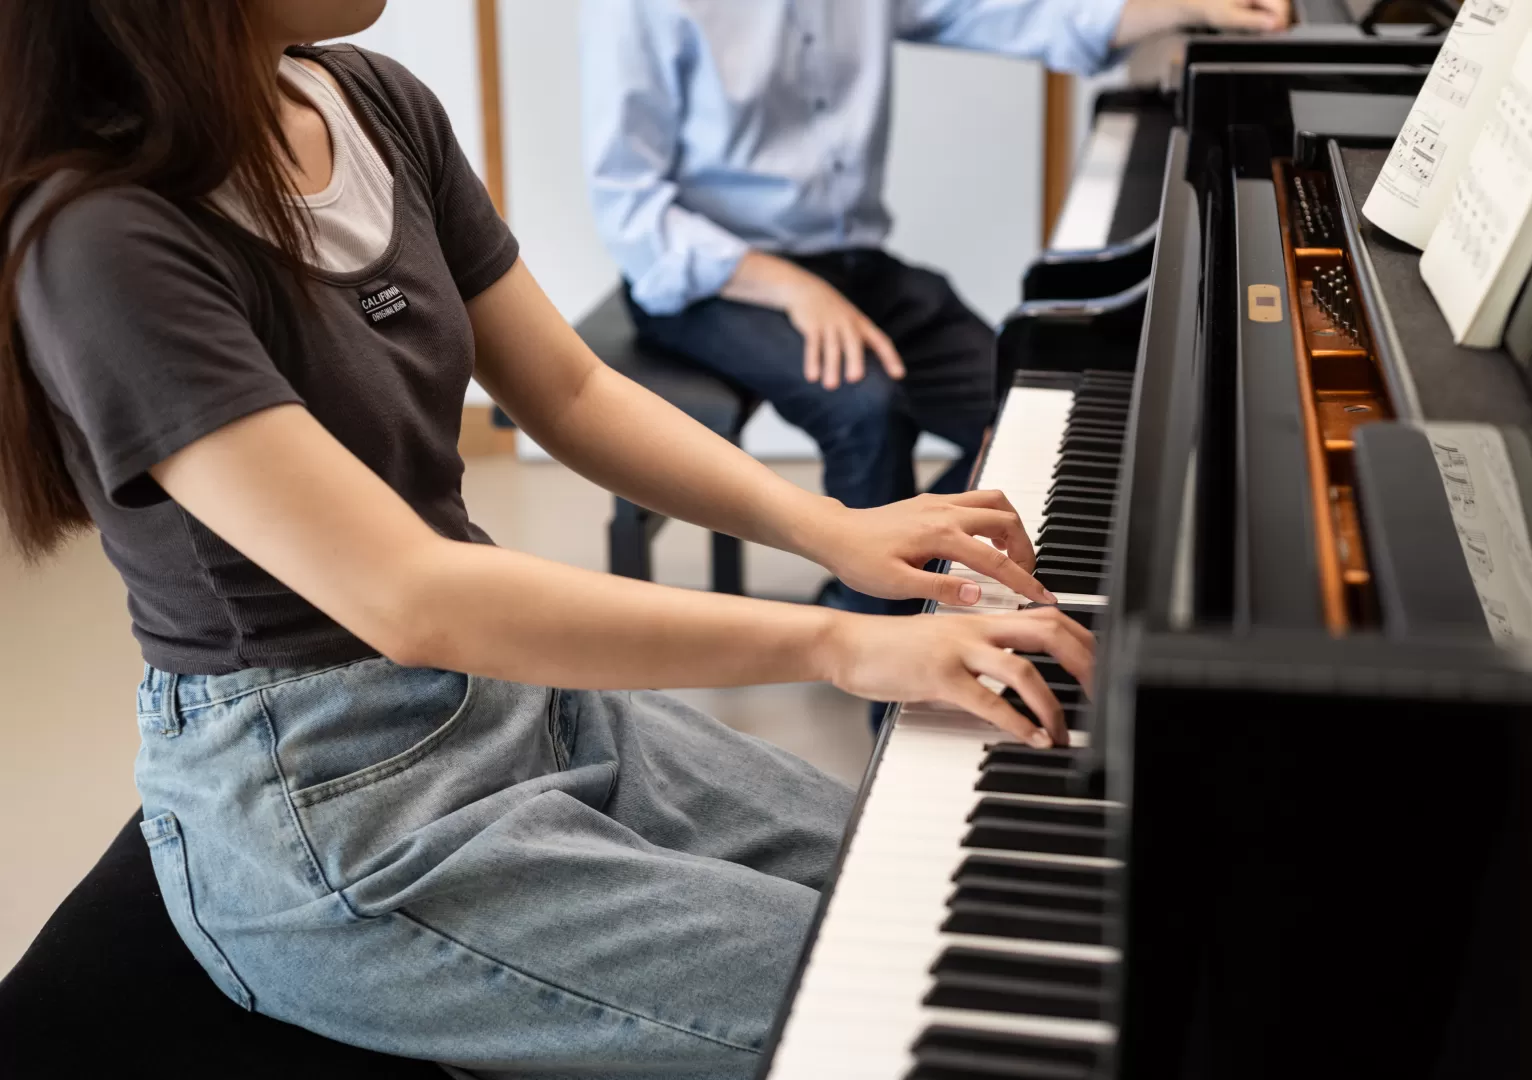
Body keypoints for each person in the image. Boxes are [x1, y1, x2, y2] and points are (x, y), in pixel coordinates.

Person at [0, 1, 1094, 1076]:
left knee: (922, 882)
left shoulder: (371, 102)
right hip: (330, 798)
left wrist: (833, 531)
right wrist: (840, 642)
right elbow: (412, 596)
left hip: (505, 696)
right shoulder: (104, 239)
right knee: (893, 996)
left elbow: (568, 389)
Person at [582, 0, 1290, 616]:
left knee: (1026, 396)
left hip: (853, 262)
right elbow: (631, 208)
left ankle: (887, 581)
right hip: (712, 276)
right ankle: (878, 656)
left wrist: (1177, 4)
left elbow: (1010, 9)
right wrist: (791, 286)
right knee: (865, 407)